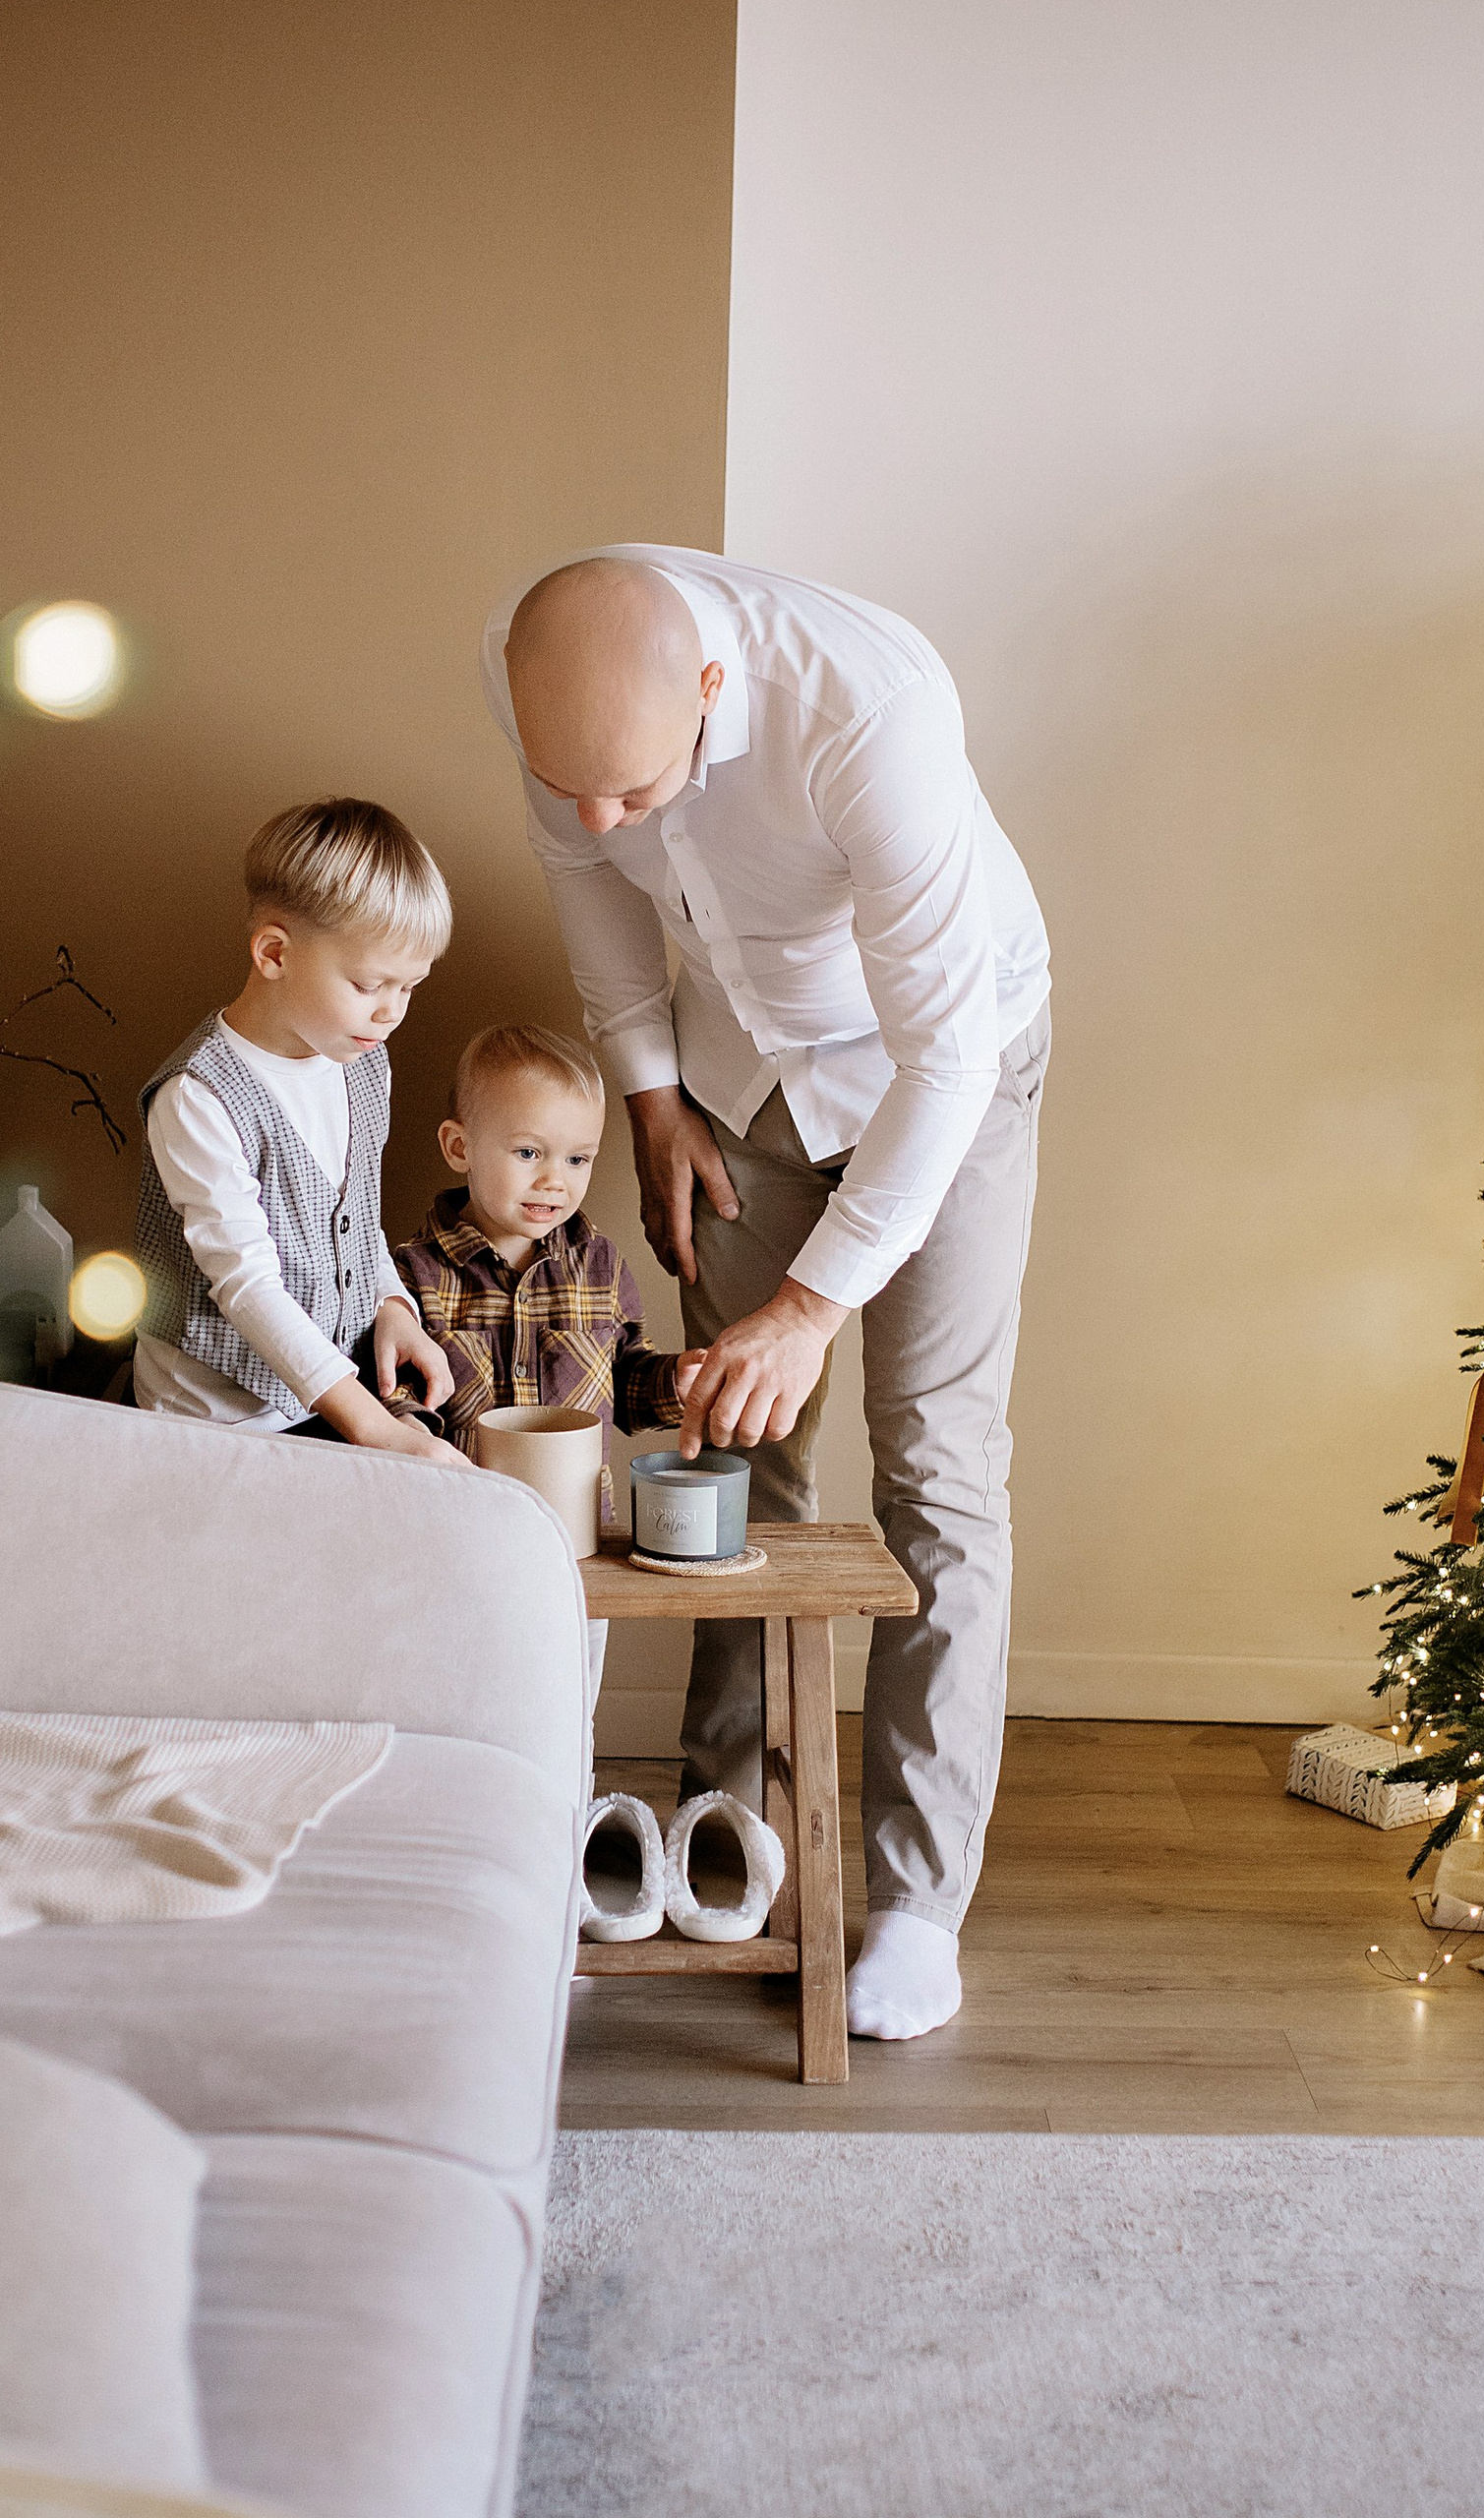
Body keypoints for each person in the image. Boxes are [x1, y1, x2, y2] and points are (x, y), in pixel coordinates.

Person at [481, 547, 1050, 2040]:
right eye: (570, 781)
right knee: (729, 1457)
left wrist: (812, 1306)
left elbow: (945, 1060)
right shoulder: (546, 663)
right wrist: (652, 1094)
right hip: (739, 1073)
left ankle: (918, 1904)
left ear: (715, 698)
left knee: (935, 1467)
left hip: (946, 1075)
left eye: (630, 787)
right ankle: (728, 1840)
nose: (598, 817)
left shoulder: (874, 712)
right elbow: (584, 878)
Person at [133, 796, 464, 1465]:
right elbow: (248, 1287)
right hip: (213, 1424)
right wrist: (377, 1430)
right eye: (371, 984)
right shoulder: (199, 1099)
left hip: (324, 1395)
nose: (391, 1013)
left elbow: (352, 1214)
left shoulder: (361, 1061)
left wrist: (393, 1307)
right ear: (275, 953)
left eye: (410, 988)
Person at [391, 1023, 688, 1701]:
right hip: (459, 1550)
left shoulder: (601, 1267)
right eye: (529, 1152)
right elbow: (398, 1406)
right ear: (459, 1147)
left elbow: (626, 1385)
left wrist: (677, 1383)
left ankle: (566, 1806)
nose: (556, 1180)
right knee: (467, 1702)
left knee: (567, 1705)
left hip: (574, 1545)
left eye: (579, 1160)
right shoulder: (413, 1277)